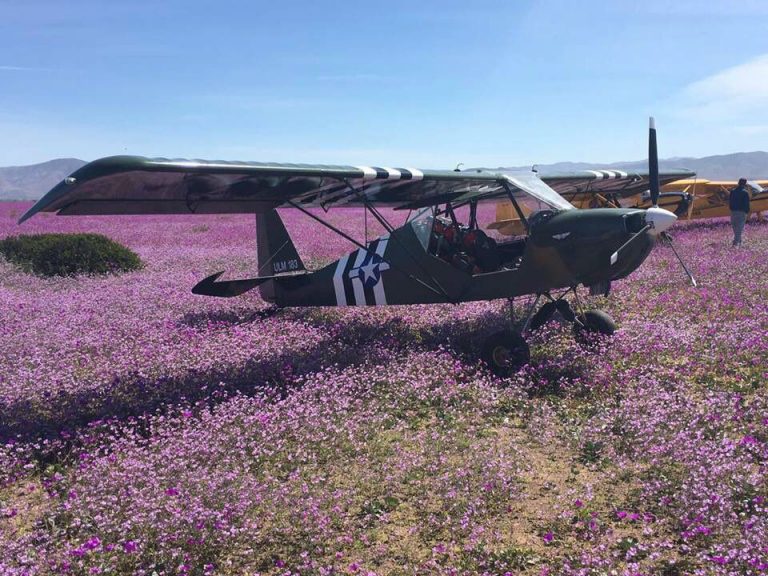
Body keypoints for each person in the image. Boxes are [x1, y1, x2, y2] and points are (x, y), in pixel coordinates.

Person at [729, 178, 750, 246]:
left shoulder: (732, 191)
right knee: (739, 228)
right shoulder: (745, 192)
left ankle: (740, 242)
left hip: (733, 212)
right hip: (742, 212)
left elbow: (730, 201)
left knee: (735, 227)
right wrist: (747, 212)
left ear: (738, 183)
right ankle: (735, 243)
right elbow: (747, 204)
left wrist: (731, 209)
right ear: (745, 184)